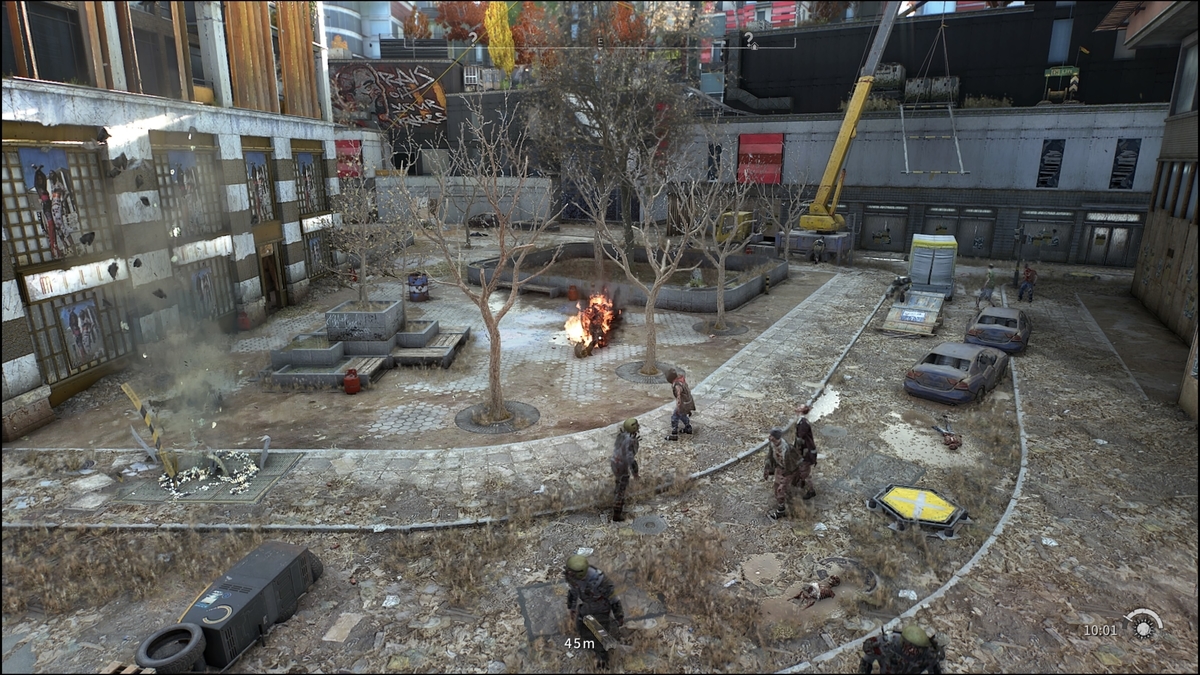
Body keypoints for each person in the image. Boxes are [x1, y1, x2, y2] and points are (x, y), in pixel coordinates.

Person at [564, 555, 625, 669]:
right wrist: (572, 607)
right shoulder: (574, 578)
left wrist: (619, 615)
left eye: (571, 572)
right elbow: (573, 592)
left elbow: (613, 598)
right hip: (587, 606)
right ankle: (591, 643)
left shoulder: (599, 581)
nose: (568, 573)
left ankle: (603, 661)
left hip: (600, 609)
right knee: (581, 627)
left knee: (598, 636)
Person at [859, 624, 945, 674]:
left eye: (917, 649)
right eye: (909, 647)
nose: (911, 651)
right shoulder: (886, 645)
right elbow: (866, 661)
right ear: (902, 642)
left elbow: (935, 668)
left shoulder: (928, 655)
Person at [763, 428, 803, 520]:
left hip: (789, 470)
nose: (769, 437)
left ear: (776, 437)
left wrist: (785, 480)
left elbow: (793, 464)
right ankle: (782, 500)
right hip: (779, 468)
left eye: (771, 436)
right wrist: (767, 469)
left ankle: (781, 511)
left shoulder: (787, 449)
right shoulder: (772, 445)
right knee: (777, 487)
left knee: (780, 490)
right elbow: (770, 457)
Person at [610, 418, 640, 523]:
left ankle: (616, 493)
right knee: (622, 488)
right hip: (621, 465)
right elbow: (630, 458)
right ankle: (617, 513)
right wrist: (635, 472)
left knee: (619, 481)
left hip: (614, 462)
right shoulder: (631, 440)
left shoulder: (621, 435)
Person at [664, 368, 695, 441]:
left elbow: (679, 396)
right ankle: (687, 428)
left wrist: (678, 406)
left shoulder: (677, 385)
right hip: (688, 401)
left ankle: (675, 430)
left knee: (675, 416)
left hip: (683, 404)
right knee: (682, 415)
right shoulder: (681, 380)